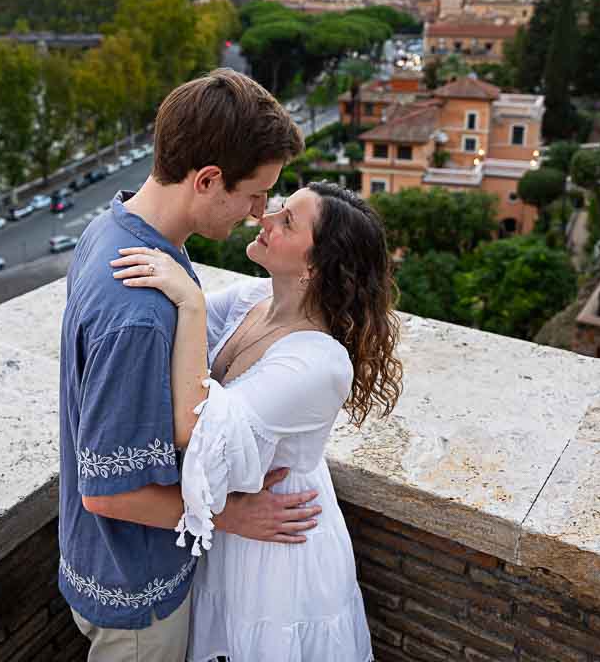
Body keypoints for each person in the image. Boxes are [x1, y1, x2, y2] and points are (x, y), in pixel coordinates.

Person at [57, 68, 310, 662]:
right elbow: (109, 494)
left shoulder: (114, 229)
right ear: (207, 179)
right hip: (135, 591)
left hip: (98, 561)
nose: (257, 212)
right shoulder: (139, 310)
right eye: (254, 194)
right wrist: (233, 515)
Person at [111, 180, 404, 661]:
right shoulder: (254, 300)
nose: (264, 217)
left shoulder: (319, 362)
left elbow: (195, 427)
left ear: (314, 266)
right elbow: (167, 349)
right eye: (278, 207)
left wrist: (192, 301)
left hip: (279, 546)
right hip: (234, 525)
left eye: (286, 221)